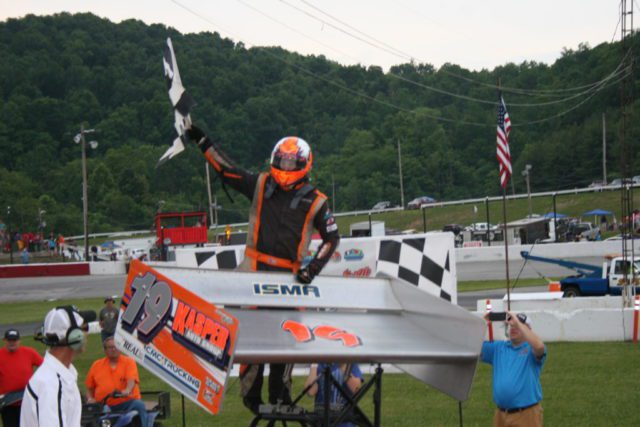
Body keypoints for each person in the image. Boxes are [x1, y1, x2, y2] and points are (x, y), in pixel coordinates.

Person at [185, 123, 340, 414]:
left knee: (285, 336)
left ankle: (281, 395)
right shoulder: (259, 183)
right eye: (282, 160)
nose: (286, 165)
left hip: (290, 278)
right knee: (252, 336)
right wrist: (203, 139)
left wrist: (313, 269)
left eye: (292, 161)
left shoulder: (317, 201)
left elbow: (333, 237)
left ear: (305, 164)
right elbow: (226, 170)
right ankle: (251, 396)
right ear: (274, 159)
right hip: (252, 271)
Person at [20, 306, 88, 427]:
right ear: (74, 336)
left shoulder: (59, 376)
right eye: (84, 329)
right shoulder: (51, 384)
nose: (85, 334)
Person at [481, 311, 546, 427]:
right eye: (511, 325)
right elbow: (472, 346)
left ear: (528, 330)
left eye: (517, 325)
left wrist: (517, 322)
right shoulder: (498, 347)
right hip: (501, 414)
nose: (513, 327)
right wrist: (481, 324)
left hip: (526, 414)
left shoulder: (531, 349)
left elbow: (539, 347)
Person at [85, 337, 148, 427]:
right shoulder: (96, 365)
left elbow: (131, 380)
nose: (114, 349)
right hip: (104, 404)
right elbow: (89, 388)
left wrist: (127, 390)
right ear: (105, 350)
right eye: (110, 347)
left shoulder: (129, 362)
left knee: (139, 405)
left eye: (116, 346)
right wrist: (90, 399)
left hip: (127, 403)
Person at [0, 329, 43, 427]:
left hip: (27, 402)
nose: (12, 343)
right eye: (9, 340)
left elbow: (45, 366)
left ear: (19, 341)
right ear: (4, 341)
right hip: (8, 404)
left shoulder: (29, 352)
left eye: (14, 340)